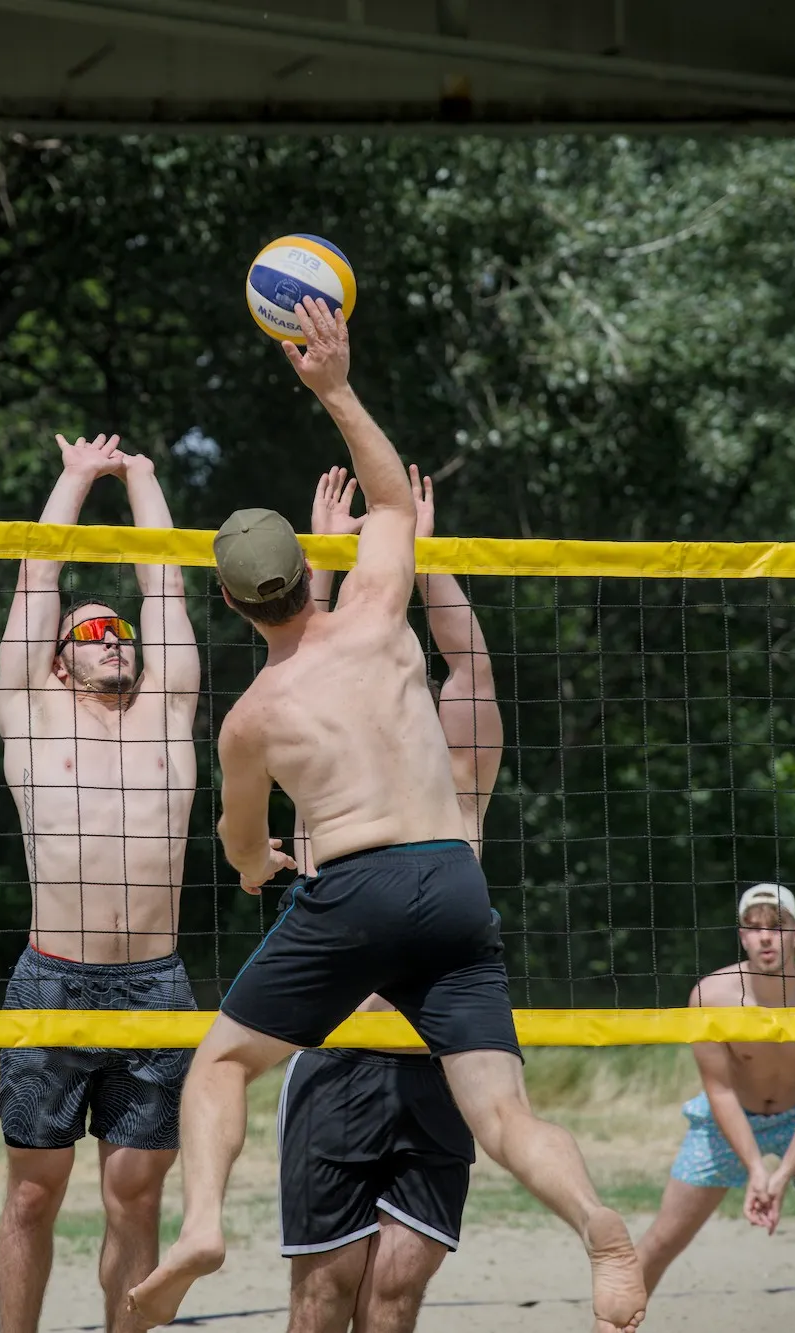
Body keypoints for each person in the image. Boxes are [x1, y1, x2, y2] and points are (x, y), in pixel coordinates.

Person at [127, 298, 647, 1333]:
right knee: (501, 1113)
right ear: (317, 568)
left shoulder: (252, 718)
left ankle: (197, 1227)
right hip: (450, 879)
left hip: (352, 885)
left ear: (230, 605)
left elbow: (238, 844)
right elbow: (388, 497)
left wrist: (246, 865)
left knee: (221, 1061)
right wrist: (331, 386)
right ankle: (595, 1218)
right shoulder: (379, 613)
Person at [278, 463, 503, 1333]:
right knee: (324, 1297)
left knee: (397, 1291)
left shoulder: (461, 784)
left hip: (442, 1056)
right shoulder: (325, 770)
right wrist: (324, 559)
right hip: (337, 1052)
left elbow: (472, 664)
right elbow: (299, 665)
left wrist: (423, 545)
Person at [0, 432, 202, 1333]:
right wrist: (76, 480)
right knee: (34, 1199)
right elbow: (37, 583)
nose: (114, 637)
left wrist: (146, 480)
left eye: (122, 633)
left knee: (134, 1199)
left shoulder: (168, 708)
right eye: (93, 631)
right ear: (55, 658)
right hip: (54, 978)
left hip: (155, 985)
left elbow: (168, 584)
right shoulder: (31, 713)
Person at [635, 882, 795, 1333]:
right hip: (728, 1121)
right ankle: (610, 1326)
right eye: (753, 928)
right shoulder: (711, 996)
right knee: (663, 1238)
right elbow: (720, 1092)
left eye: (777, 926)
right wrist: (756, 1167)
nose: (765, 937)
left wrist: (781, 1172)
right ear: (742, 937)